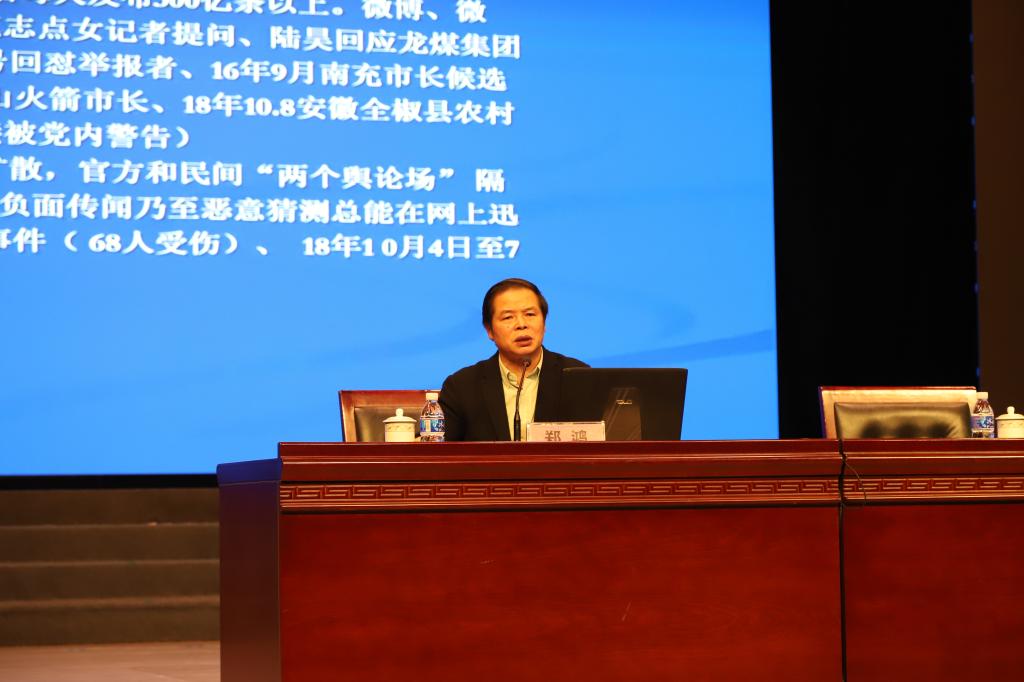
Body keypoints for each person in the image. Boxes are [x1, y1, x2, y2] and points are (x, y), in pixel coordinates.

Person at [440, 278, 589, 441]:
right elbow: (440, 451)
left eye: (530, 314)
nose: (521, 324)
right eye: (508, 317)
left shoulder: (579, 377)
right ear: (489, 330)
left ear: (544, 322)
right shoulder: (461, 387)